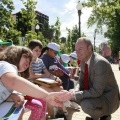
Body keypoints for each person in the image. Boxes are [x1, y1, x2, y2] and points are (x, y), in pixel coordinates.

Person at [0, 46, 72, 118]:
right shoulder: (5, 65)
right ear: (14, 54)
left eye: (29, 61)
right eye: (25, 57)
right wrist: (46, 96)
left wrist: (10, 96)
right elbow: (13, 81)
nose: (28, 63)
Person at [70, 37, 120, 120]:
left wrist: (75, 95)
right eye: (76, 50)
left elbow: (97, 91)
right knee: (71, 95)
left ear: (89, 48)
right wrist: (75, 90)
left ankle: (105, 115)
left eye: (80, 49)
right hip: (97, 95)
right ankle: (96, 115)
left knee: (86, 104)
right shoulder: (83, 62)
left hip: (108, 99)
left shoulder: (100, 63)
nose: (77, 53)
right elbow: (81, 81)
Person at [28, 40, 63, 117]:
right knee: (50, 93)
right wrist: (43, 75)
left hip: (41, 82)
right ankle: (51, 116)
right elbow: (32, 75)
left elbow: (47, 73)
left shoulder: (40, 61)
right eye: (36, 50)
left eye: (40, 51)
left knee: (60, 89)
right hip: (32, 84)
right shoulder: (28, 61)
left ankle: (60, 111)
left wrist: (56, 78)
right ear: (30, 50)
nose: (38, 52)